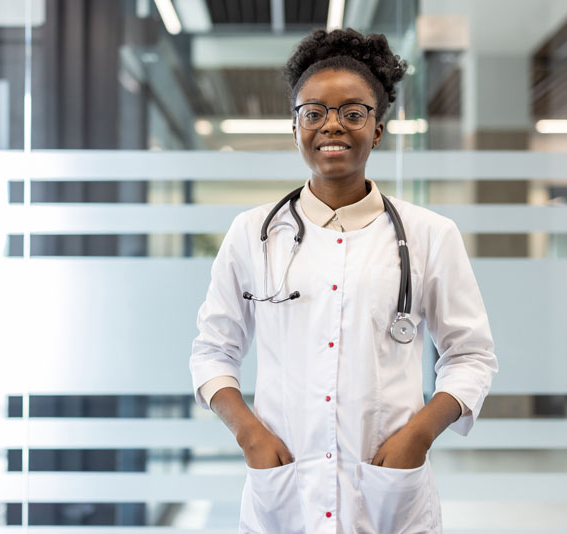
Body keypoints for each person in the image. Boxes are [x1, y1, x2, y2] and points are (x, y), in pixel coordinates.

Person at [189, 27, 499, 534]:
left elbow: (471, 356)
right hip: (285, 488)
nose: (332, 126)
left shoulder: (430, 235)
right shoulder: (252, 234)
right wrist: (248, 434)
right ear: (296, 127)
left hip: (387, 485)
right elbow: (212, 352)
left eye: (353, 113)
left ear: (377, 129)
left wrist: (418, 435)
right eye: (313, 113)